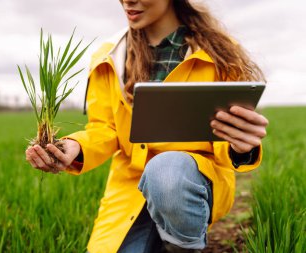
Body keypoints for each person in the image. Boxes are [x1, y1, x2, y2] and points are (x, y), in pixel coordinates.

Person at [25, 0, 269, 252]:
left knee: (165, 172)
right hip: (130, 185)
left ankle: (183, 246)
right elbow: (104, 128)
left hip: (187, 181)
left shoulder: (219, 53)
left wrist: (241, 147)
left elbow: (223, 135)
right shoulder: (108, 57)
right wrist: (75, 146)